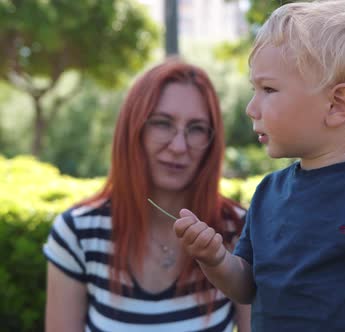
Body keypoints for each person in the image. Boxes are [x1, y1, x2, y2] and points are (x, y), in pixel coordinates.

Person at [174, 1, 345, 331]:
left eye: (268, 89)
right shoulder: (268, 194)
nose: (251, 108)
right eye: (254, 90)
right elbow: (247, 286)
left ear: (337, 104)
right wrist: (215, 259)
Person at [43, 59, 251, 331]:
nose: (179, 146)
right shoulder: (77, 233)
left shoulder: (239, 229)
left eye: (197, 128)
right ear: (133, 130)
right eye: (163, 124)